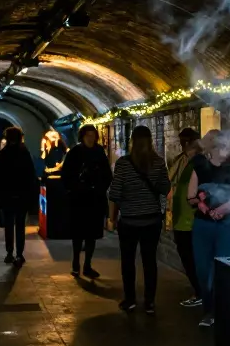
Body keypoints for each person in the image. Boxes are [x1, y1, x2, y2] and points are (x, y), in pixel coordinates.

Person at [108, 125, 171, 313]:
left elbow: (115, 193)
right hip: (151, 220)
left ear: (132, 141)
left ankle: (130, 299)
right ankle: (150, 302)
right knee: (149, 261)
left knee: (128, 261)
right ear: (150, 141)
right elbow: (165, 188)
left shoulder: (123, 164)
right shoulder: (158, 162)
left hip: (129, 221)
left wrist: (111, 218)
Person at [187, 129, 230, 327]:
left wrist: (226, 207)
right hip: (203, 225)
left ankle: (221, 311)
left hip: (227, 225)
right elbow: (190, 195)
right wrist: (201, 205)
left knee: (223, 268)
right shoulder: (199, 165)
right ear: (214, 147)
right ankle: (208, 309)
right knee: (203, 269)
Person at [61, 124, 112, 278]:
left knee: (92, 234)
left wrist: (99, 187)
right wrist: (76, 187)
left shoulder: (99, 152)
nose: (91, 138)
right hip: (79, 200)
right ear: (82, 136)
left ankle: (87, 264)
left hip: (94, 200)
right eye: (88, 135)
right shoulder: (75, 152)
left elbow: (107, 174)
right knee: (78, 233)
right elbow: (66, 175)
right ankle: (76, 263)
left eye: (93, 135)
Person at [167, 127, 203, 306]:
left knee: (191, 257)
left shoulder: (198, 162)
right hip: (182, 217)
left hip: (192, 217)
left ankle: (200, 292)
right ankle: (199, 290)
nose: (181, 145)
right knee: (188, 256)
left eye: (183, 142)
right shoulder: (182, 160)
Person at [0, 126, 36, 264]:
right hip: (22, 195)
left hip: (6, 195)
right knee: (20, 226)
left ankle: (9, 252)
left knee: (9, 226)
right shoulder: (24, 153)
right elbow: (31, 176)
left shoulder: (1, 154)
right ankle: (19, 254)